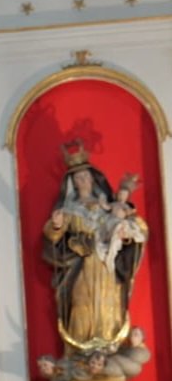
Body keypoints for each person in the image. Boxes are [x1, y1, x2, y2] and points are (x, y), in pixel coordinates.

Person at [42, 146, 148, 354]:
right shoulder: (69, 210)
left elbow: (127, 226)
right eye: (78, 178)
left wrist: (125, 234)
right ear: (72, 183)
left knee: (108, 303)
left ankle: (108, 351)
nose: (82, 181)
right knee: (82, 303)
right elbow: (54, 235)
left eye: (85, 176)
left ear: (93, 179)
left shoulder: (106, 205)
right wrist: (56, 225)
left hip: (106, 264)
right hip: (81, 265)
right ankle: (81, 353)